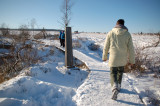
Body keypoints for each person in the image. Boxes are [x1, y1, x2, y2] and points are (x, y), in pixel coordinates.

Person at [102, 19, 135, 100]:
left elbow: (106, 46)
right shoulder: (127, 34)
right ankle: (118, 86)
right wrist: (132, 61)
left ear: (116, 24)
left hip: (113, 58)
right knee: (120, 72)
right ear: (123, 25)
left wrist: (104, 57)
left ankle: (114, 87)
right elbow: (131, 48)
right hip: (122, 58)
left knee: (113, 72)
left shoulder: (110, 33)